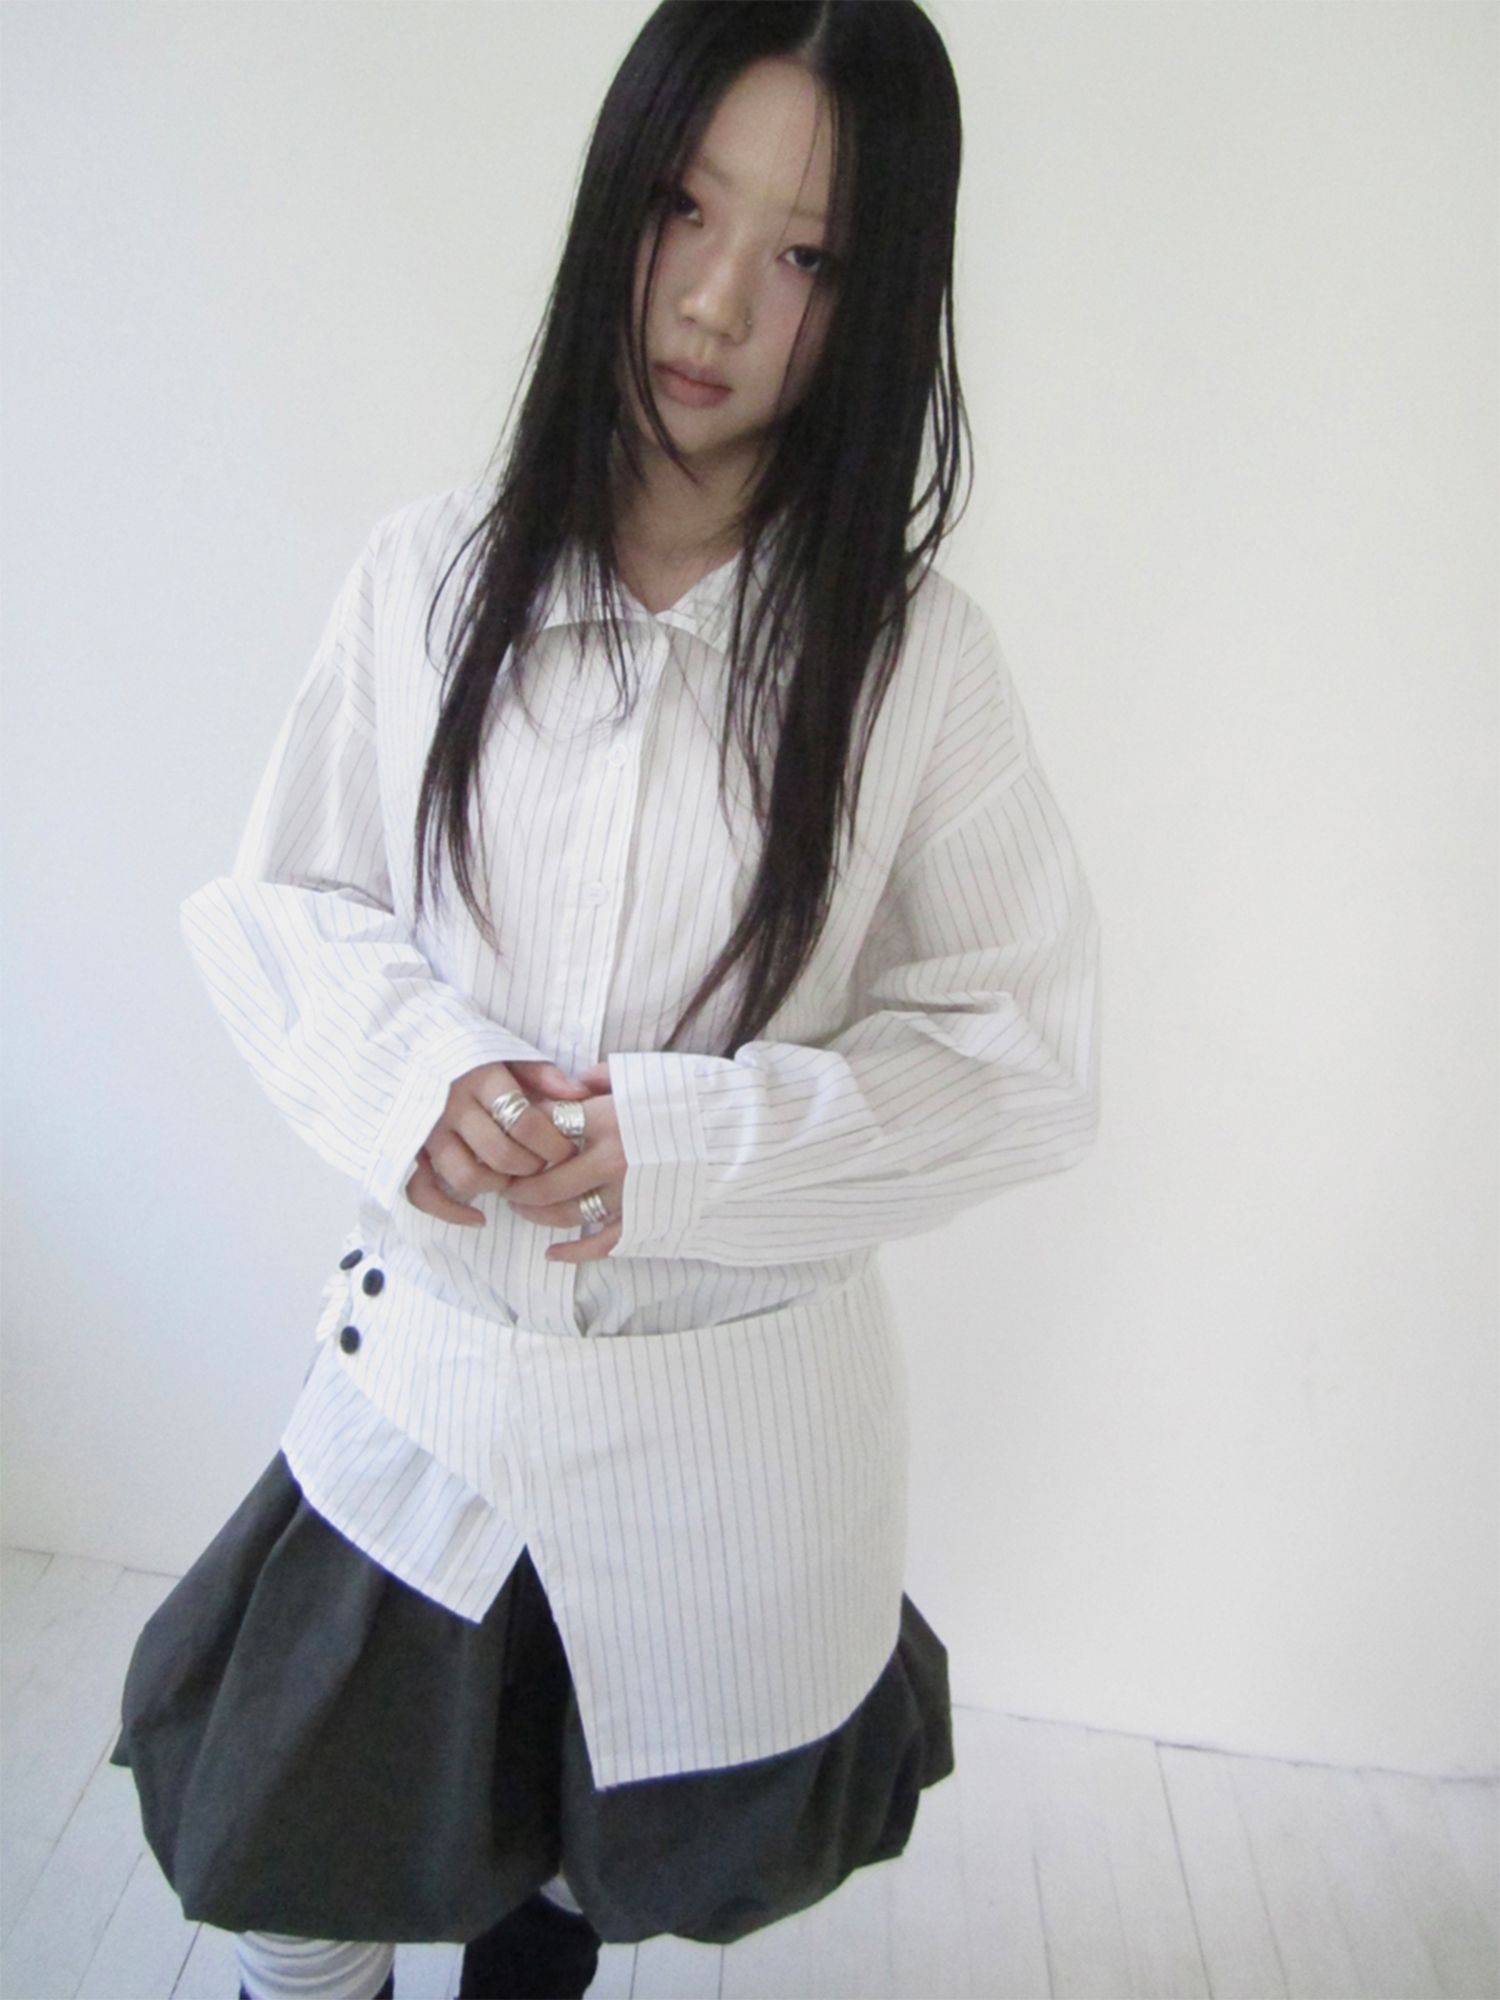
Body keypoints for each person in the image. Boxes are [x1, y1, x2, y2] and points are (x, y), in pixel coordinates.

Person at [108, 3, 1103, 1997]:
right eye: (683, 207)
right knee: (300, 1853)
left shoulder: (915, 665)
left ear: (880, 293)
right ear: (615, 201)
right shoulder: (429, 576)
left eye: (807, 252)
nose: (719, 298)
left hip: (728, 1443)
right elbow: (288, 901)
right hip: (437, 1387)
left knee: (576, 1871)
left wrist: (680, 1145)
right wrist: (421, 1072)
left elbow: (1019, 1055)